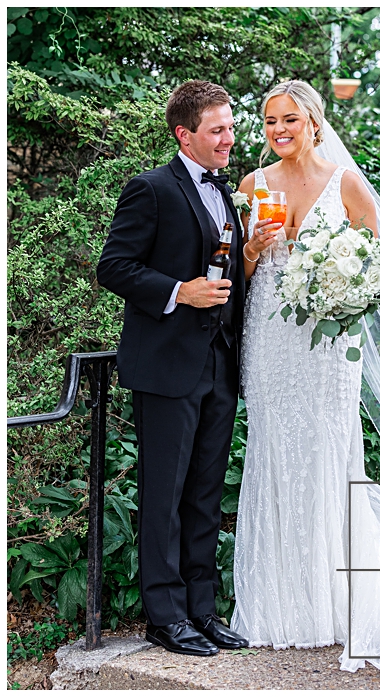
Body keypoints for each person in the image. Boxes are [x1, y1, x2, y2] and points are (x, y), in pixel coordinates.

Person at [228, 80, 380, 682]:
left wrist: (341, 291)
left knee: (330, 453)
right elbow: (239, 271)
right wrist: (254, 247)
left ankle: (336, 596)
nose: (278, 131)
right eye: (269, 122)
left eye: (289, 120)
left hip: (330, 346)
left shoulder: (346, 183)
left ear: (313, 121)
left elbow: (375, 268)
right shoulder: (253, 188)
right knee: (275, 450)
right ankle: (279, 604)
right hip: (271, 339)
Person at [99, 80, 263, 657]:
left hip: (219, 365)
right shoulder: (151, 189)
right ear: (184, 135)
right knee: (164, 495)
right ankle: (164, 617)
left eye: (230, 126)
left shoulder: (226, 192)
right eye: (217, 129)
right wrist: (178, 291)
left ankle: (202, 610)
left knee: (204, 495)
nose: (229, 138)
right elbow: (113, 267)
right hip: (167, 368)